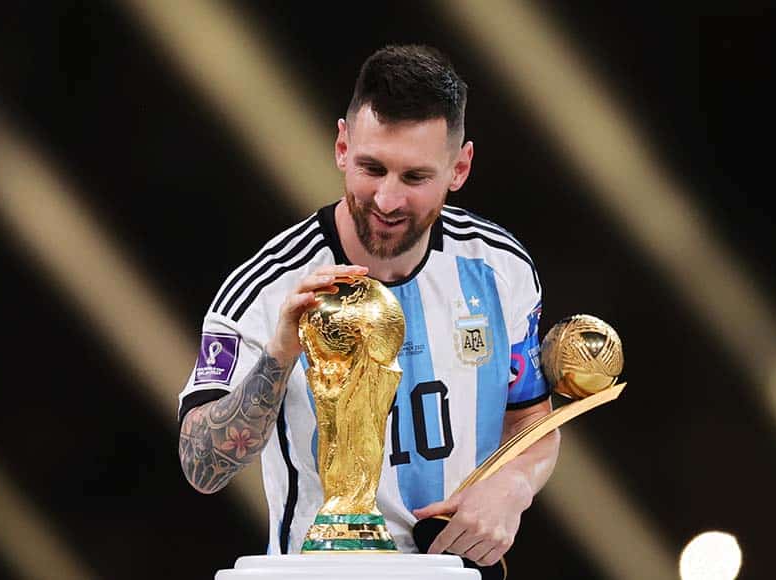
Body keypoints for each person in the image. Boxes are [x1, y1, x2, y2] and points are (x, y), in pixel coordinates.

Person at [177, 44, 560, 567]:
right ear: (341, 146)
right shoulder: (267, 290)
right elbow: (202, 466)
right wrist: (282, 351)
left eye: (414, 177)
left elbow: (532, 421)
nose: (386, 200)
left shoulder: (501, 269)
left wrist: (514, 484)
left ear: (460, 167)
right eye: (371, 168)